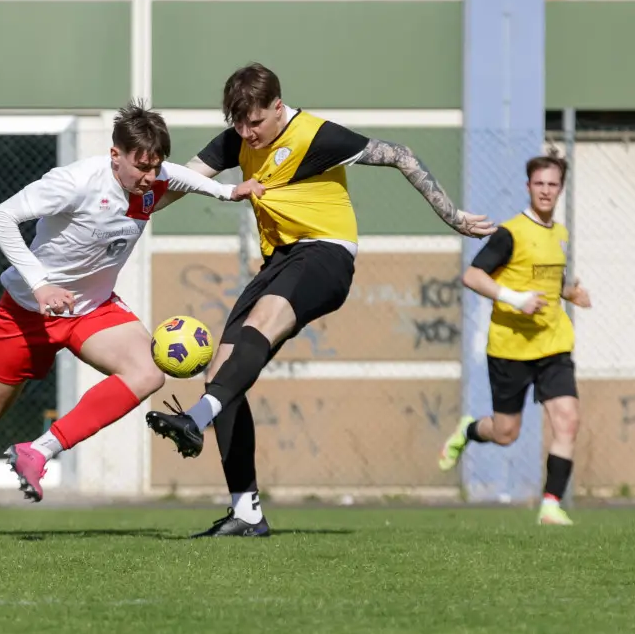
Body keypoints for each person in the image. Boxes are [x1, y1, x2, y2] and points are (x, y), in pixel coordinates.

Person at [145, 62, 497, 537]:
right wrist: (135, 207)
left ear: (277, 106)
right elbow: (186, 179)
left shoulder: (315, 135)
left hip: (326, 254)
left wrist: (452, 216)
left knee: (262, 323)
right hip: (279, 262)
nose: (247, 133)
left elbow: (400, 155)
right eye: (239, 123)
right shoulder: (238, 139)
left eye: (256, 122)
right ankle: (246, 513)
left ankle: (194, 418)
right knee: (221, 372)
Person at [0, 100, 262, 537]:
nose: (150, 177)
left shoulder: (153, 178)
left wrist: (228, 192)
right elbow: (0, 217)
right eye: (141, 166)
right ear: (115, 155)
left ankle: (39, 451)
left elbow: (179, 175)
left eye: (155, 166)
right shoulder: (75, 182)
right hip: (28, 312)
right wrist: (41, 284)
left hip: (94, 309)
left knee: (147, 373)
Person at [437, 153, 591, 526]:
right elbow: (473, 276)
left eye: (552, 184)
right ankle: (469, 430)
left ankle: (551, 505)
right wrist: (515, 299)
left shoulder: (560, 235)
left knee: (568, 420)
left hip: (553, 344)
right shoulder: (510, 233)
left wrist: (570, 293)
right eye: (539, 184)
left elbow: (548, 281)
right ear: (528, 187)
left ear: (561, 189)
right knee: (506, 433)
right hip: (510, 348)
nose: (546, 190)